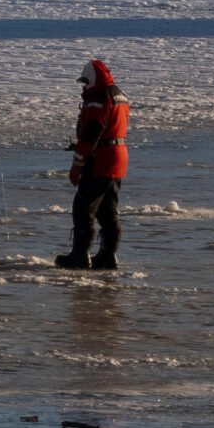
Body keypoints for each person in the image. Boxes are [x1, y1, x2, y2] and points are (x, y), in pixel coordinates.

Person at [56, 59, 129, 271]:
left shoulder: (99, 98)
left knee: (83, 207)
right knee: (107, 209)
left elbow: (91, 134)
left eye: (85, 82)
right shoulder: (119, 95)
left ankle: (80, 256)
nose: (84, 87)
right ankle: (108, 256)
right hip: (117, 158)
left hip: (101, 160)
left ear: (92, 79)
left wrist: (77, 164)